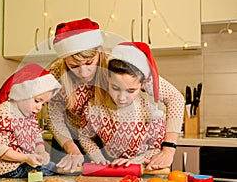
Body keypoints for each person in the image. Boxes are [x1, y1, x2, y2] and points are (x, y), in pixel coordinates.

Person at [78, 42, 185, 171]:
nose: (122, 98)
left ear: (143, 84)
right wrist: (98, 157)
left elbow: (156, 147)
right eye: (115, 88)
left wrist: (134, 161)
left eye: (131, 90)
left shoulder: (150, 111)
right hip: (109, 169)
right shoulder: (93, 108)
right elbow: (84, 136)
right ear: (107, 78)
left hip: (142, 170)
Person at [46, 18, 109, 172]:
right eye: (74, 66)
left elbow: (172, 97)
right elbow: (55, 118)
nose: (83, 73)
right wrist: (72, 148)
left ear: (99, 52)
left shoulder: (115, 66)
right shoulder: (55, 73)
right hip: (69, 139)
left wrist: (168, 147)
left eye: (89, 63)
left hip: (105, 141)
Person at [0, 63, 61, 178]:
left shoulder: (28, 115)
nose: (39, 107)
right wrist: (26, 158)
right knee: (54, 169)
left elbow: (36, 137)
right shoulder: (3, 112)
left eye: (43, 104)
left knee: (53, 168)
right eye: (37, 101)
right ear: (21, 94)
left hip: (23, 165)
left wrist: (41, 152)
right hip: (8, 170)